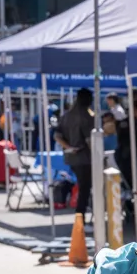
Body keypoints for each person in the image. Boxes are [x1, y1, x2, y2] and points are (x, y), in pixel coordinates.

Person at [54, 88, 95, 220]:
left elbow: (57, 136)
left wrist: (69, 147)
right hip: (85, 158)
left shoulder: (66, 115)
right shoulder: (86, 117)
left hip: (71, 157)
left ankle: (80, 218)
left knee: (82, 187)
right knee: (85, 189)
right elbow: (90, 140)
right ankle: (80, 218)